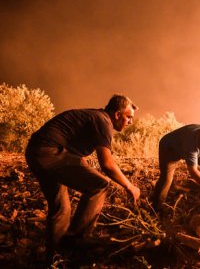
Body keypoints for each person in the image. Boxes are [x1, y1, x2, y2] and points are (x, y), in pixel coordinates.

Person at [25, 94, 141, 261]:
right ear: (117, 114)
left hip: (37, 152)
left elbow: (76, 154)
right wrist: (130, 186)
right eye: (128, 117)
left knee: (61, 208)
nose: (130, 122)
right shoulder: (104, 121)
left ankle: (55, 259)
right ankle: (75, 242)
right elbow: (107, 164)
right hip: (49, 153)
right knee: (100, 185)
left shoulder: (95, 116)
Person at [152, 124, 200, 211]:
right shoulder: (191, 141)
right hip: (170, 148)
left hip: (196, 148)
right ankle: (157, 209)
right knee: (166, 178)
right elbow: (193, 171)